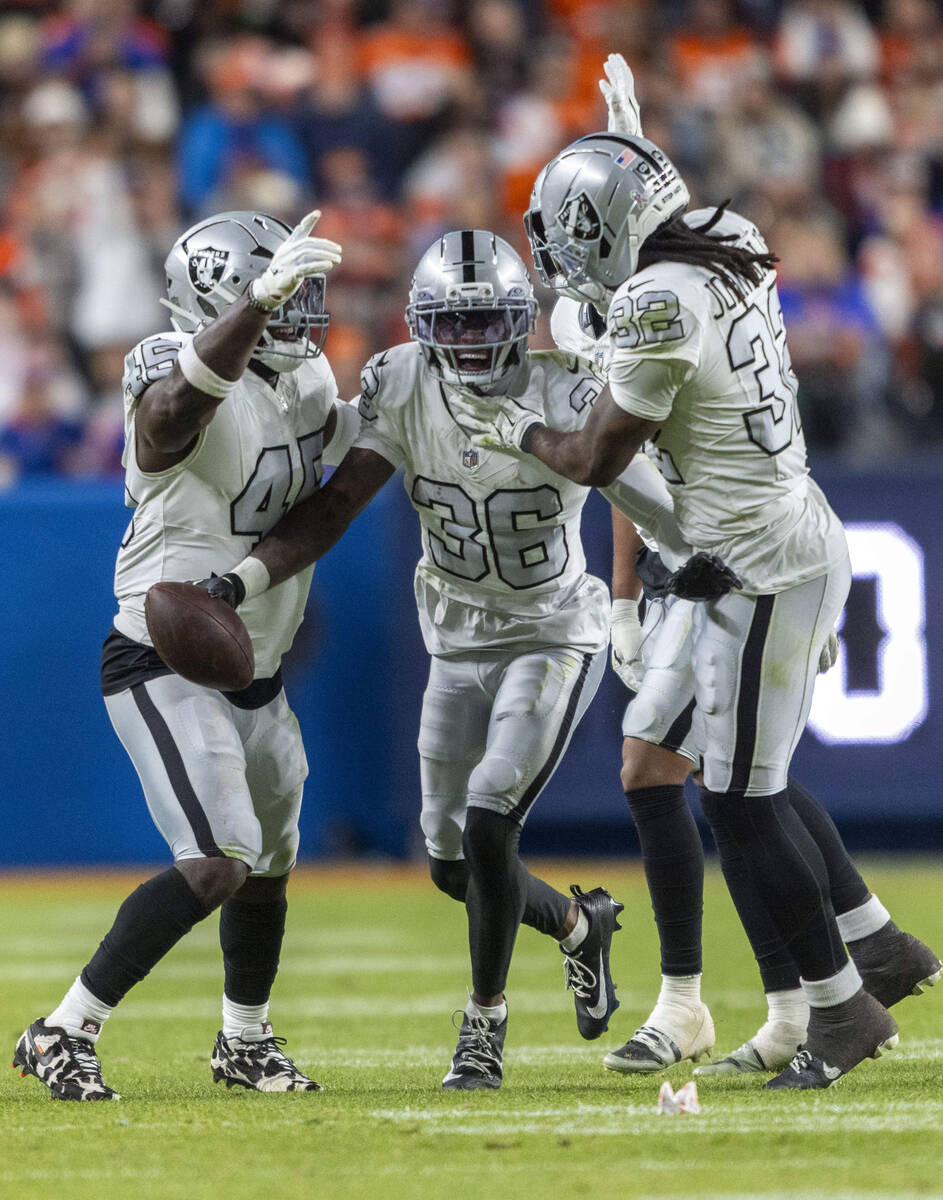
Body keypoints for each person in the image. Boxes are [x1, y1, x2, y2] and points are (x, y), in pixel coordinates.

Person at [455, 129, 917, 1090]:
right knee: (676, 768)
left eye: (570, 232)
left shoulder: (655, 302)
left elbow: (594, 458)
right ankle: (871, 949)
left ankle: (841, 1006)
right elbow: (622, 310)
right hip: (757, 538)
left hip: (753, 566)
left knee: (741, 798)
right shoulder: (719, 234)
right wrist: (632, 150)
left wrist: (510, 424)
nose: (560, 257)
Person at [197, 228, 693, 1091]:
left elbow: (651, 503)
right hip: (455, 640)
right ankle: (582, 928)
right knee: (451, 864)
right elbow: (340, 500)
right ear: (422, 326)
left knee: (491, 814)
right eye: (450, 325)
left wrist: (639, 598)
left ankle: (483, 1028)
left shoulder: (569, 388)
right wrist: (242, 580)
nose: (467, 342)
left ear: (521, 320)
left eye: (484, 322)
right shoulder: (397, 381)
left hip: (549, 633)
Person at [13, 208, 359, 1100]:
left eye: (293, 297)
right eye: (275, 297)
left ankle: (244, 1041)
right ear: (223, 296)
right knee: (217, 860)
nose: (296, 314)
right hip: (160, 654)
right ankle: (63, 1031)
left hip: (255, 657)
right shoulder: (165, 363)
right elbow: (167, 423)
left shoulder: (308, 374)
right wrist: (247, 314)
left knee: (267, 868)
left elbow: (323, 506)